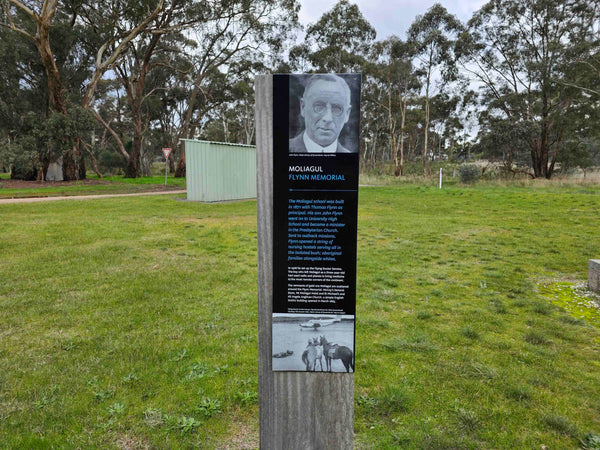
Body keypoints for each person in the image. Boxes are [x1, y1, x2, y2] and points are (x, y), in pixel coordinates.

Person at [289, 74, 356, 153]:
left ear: (347, 114)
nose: (328, 118)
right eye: (319, 107)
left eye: (337, 109)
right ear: (303, 107)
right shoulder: (280, 150)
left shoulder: (349, 159)